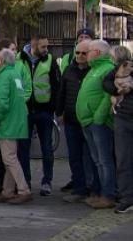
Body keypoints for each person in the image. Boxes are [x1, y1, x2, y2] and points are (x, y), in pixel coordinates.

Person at [56, 40, 99, 203]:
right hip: (71, 120)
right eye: (78, 53)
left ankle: (94, 189)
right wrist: (59, 112)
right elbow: (62, 91)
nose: (80, 56)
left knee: (92, 156)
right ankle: (79, 189)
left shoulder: (94, 71)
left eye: (84, 53)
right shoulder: (69, 70)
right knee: (74, 156)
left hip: (89, 120)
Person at [17, 33, 60, 196]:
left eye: (47, 46)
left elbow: (56, 85)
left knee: (47, 148)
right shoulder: (19, 59)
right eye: (43, 46)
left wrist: (52, 108)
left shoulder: (50, 60)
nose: (46, 49)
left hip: (44, 111)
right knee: (23, 148)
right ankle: (26, 181)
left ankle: (47, 181)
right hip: (25, 111)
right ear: (33, 46)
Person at [0, 48, 32, 204]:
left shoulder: (3, 76)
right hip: (17, 121)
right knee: (10, 158)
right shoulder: (14, 74)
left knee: (9, 158)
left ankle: (23, 190)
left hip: (7, 122)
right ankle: (7, 191)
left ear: (2, 60)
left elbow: (1, 102)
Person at [76, 39, 116, 209]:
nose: (85, 54)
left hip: (99, 122)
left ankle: (108, 195)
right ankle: (101, 193)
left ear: (97, 53)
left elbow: (108, 95)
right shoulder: (94, 69)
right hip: (88, 121)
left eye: (89, 51)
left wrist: (99, 116)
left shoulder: (107, 69)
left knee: (104, 160)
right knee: (98, 160)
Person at [103, 46, 133, 214]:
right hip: (122, 118)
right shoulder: (116, 70)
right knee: (123, 160)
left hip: (124, 116)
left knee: (124, 160)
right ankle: (127, 199)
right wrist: (117, 89)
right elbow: (106, 83)